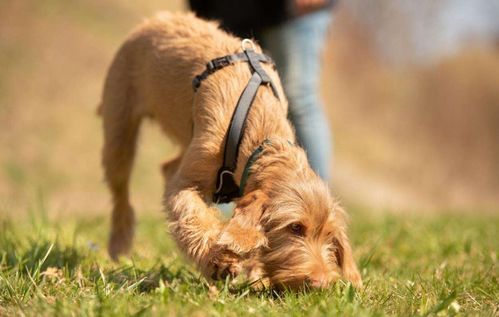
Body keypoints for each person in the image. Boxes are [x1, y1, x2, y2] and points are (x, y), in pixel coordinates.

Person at [189, 0, 335, 182]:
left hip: (294, 14)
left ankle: (315, 202)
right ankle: (220, 199)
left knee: (298, 97)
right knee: (225, 101)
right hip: (229, 10)